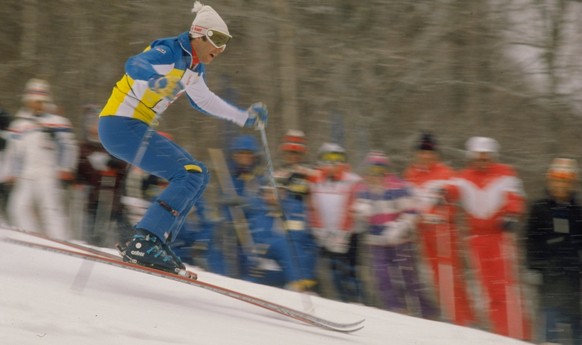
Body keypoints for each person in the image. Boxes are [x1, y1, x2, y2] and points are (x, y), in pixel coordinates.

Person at [98, 2, 268, 275]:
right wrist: (155, 79)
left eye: (226, 42)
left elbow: (204, 102)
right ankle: (145, 240)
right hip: (120, 125)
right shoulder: (170, 52)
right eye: (218, 40)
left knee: (199, 174)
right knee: (188, 173)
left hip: (135, 128)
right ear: (199, 35)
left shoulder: (193, 68)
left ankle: (157, 240)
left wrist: (243, 117)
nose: (221, 48)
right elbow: (134, 64)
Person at [444, 136, 531, 340]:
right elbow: (452, 188)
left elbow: (515, 196)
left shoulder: (505, 173)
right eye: (478, 157)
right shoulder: (464, 176)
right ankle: (501, 334)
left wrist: (511, 213)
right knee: (488, 287)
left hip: (499, 236)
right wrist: (444, 193)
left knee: (505, 288)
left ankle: (517, 333)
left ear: (492, 157)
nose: (482, 162)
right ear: (471, 157)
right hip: (476, 237)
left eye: (486, 157)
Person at [354, 150, 438, 318]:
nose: (375, 175)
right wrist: (360, 211)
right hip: (377, 242)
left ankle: (427, 312)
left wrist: (401, 227)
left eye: (380, 171)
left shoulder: (398, 187)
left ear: (386, 171)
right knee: (382, 277)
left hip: (401, 242)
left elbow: (413, 212)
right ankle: (395, 310)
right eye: (371, 171)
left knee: (409, 280)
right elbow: (359, 208)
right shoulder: (363, 189)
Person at [403, 133, 475, 325]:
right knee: (436, 275)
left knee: (450, 274)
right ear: (417, 153)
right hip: (424, 230)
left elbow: (458, 190)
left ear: (435, 153)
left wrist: (445, 193)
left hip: (443, 229)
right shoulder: (411, 174)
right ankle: (452, 314)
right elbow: (408, 200)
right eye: (422, 152)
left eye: (430, 152)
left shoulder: (445, 172)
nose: (426, 156)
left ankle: (462, 318)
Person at [216, 135, 303, 288]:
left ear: (254, 156)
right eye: (240, 154)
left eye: (248, 154)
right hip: (233, 233)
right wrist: (226, 204)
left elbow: (265, 203)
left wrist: (246, 204)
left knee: (256, 266)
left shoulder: (260, 179)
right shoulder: (228, 179)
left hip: (252, 234)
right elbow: (222, 205)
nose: (244, 158)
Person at [4, 78, 78, 239]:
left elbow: (69, 147)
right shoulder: (19, 124)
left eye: (40, 101)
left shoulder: (58, 122)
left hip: (48, 171)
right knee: (18, 206)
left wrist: (66, 168)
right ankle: (32, 237)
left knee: (51, 208)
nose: (36, 104)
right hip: (27, 172)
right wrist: (10, 172)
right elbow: (14, 152)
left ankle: (60, 239)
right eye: (33, 100)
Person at [524, 158, 582, 345]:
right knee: (550, 321)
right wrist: (532, 267)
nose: (560, 185)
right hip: (548, 274)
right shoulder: (539, 208)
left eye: (565, 181)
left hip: (574, 277)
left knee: (577, 322)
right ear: (550, 181)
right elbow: (531, 240)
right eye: (556, 180)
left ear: (572, 183)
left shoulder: (578, 212)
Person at [308, 143, 363, 302]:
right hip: (325, 234)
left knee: (348, 272)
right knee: (330, 272)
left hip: (348, 235)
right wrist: (319, 230)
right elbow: (312, 206)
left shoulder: (353, 181)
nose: (332, 163)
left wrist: (344, 233)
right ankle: (337, 302)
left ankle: (356, 302)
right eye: (328, 159)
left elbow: (355, 207)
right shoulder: (315, 180)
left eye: (337, 159)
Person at [75, 105, 129, 245]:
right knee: (91, 232)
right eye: (91, 123)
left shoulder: (111, 144)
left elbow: (124, 165)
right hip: (93, 200)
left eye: (97, 124)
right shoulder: (84, 148)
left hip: (113, 201)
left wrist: (113, 163)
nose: (94, 127)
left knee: (111, 235)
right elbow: (79, 171)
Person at [274, 130, 318, 291]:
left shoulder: (310, 172)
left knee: (306, 252)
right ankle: (294, 283)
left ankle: (304, 283)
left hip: (308, 223)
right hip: (283, 222)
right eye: (289, 152)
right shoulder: (277, 173)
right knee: (287, 246)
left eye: (296, 153)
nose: (292, 156)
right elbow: (270, 196)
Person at [0, 106, 13, 225]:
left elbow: (8, 141)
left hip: (4, 170)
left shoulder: (4, 115)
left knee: (7, 202)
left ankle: (7, 224)